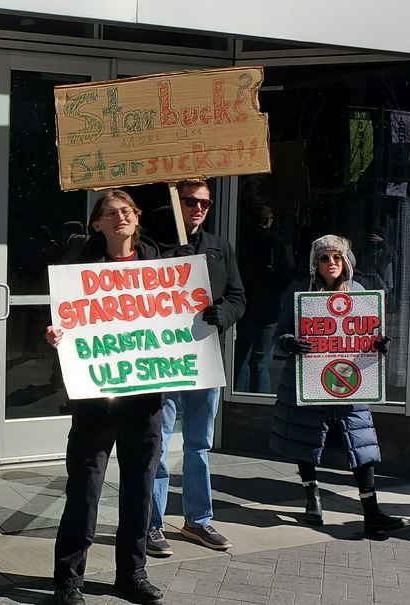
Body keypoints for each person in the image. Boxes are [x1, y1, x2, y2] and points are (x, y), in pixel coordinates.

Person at [45, 190, 164, 605]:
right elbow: (65, 322)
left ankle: (132, 574)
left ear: (138, 218)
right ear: (96, 224)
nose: (120, 217)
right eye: (110, 213)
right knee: (85, 487)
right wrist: (57, 335)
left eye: (127, 211)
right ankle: (69, 580)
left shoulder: (163, 267)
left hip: (145, 398)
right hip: (96, 398)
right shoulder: (78, 269)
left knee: (140, 487)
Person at [269, 234, 406, 534]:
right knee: (305, 439)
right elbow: (278, 337)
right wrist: (290, 343)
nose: (331, 263)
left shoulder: (359, 292)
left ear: (346, 262)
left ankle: (371, 510)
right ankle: (312, 496)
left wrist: (379, 344)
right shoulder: (298, 292)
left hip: (350, 379)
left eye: (336, 257)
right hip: (307, 379)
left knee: (361, 442)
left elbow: (371, 333)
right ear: (313, 263)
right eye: (324, 258)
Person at [147, 180, 246, 554]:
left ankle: (198, 520)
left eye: (205, 202)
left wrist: (226, 314)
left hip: (206, 356)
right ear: (176, 201)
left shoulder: (219, 247)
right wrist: (175, 255)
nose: (198, 208)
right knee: (157, 441)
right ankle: (151, 523)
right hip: (165, 358)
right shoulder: (153, 244)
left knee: (199, 443)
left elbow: (238, 296)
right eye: (190, 201)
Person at [234, 204, 290, 393]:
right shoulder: (274, 244)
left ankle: (238, 400)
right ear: (267, 220)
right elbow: (284, 278)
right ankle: (260, 401)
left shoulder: (238, 241)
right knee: (261, 360)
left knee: (240, 358)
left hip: (245, 306)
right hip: (268, 307)